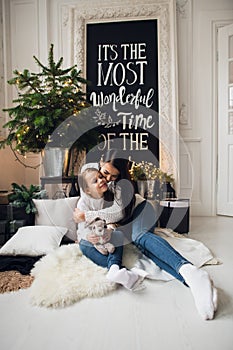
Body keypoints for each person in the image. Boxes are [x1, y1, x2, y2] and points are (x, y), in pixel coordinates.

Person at [74, 150, 218, 320]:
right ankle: (191, 278)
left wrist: (87, 216)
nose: (107, 179)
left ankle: (188, 270)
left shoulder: (122, 185)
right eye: (105, 173)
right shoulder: (91, 175)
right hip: (126, 223)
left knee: (140, 237)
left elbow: (117, 213)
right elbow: (87, 201)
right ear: (100, 164)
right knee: (144, 247)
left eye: (113, 176)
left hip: (142, 211)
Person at [76, 166, 144, 291]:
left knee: (118, 235)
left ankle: (114, 269)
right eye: (95, 181)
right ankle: (119, 269)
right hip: (92, 240)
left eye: (100, 177)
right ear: (87, 190)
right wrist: (88, 236)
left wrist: (110, 230)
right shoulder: (83, 203)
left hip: (106, 235)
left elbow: (113, 219)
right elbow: (81, 227)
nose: (101, 180)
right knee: (84, 245)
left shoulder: (109, 197)